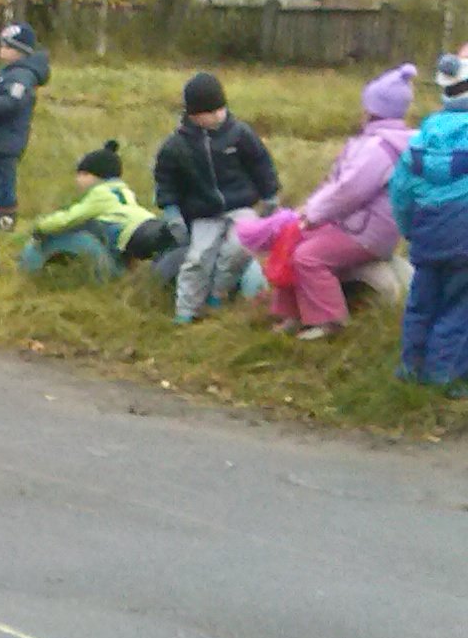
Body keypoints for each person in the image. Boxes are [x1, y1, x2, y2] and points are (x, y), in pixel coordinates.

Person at [235, 63, 415, 340]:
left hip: (366, 232)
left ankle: (329, 321)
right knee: (292, 237)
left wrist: (314, 213)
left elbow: (348, 191)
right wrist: (307, 212)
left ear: (374, 109)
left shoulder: (378, 148)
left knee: (308, 256)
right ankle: (289, 314)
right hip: (361, 226)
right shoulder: (383, 142)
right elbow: (338, 186)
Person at [153, 71, 278, 325]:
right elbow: (166, 180)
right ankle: (186, 310)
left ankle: (217, 294)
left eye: (220, 109)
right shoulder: (177, 146)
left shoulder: (240, 134)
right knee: (198, 258)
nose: (217, 116)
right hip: (204, 212)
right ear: (194, 114)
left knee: (239, 248)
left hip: (241, 205)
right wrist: (171, 211)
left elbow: (261, 164)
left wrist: (270, 195)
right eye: (210, 112)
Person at [390, 53, 468, 395]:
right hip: (464, 236)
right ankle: (444, 376)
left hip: (426, 234)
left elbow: (401, 192)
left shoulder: (421, 139)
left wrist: (410, 231)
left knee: (421, 304)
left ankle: (410, 368)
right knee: (459, 306)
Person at [24, 140, 160, 271]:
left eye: (84, 174)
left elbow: (71, 217)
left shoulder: (100, 194)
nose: (78, 179)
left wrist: (41, 226)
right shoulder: (124, 191)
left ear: (100, 177)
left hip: (128, 232)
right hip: (148, 222)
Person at [0, 22, 49, 232]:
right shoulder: (9, 72)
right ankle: (0, 218)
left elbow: (12, 103)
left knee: (4, 182)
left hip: (6, 140)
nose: (1, 50)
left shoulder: (22, 76)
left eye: (7, 46)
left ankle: (7, 222)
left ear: (21, 52)